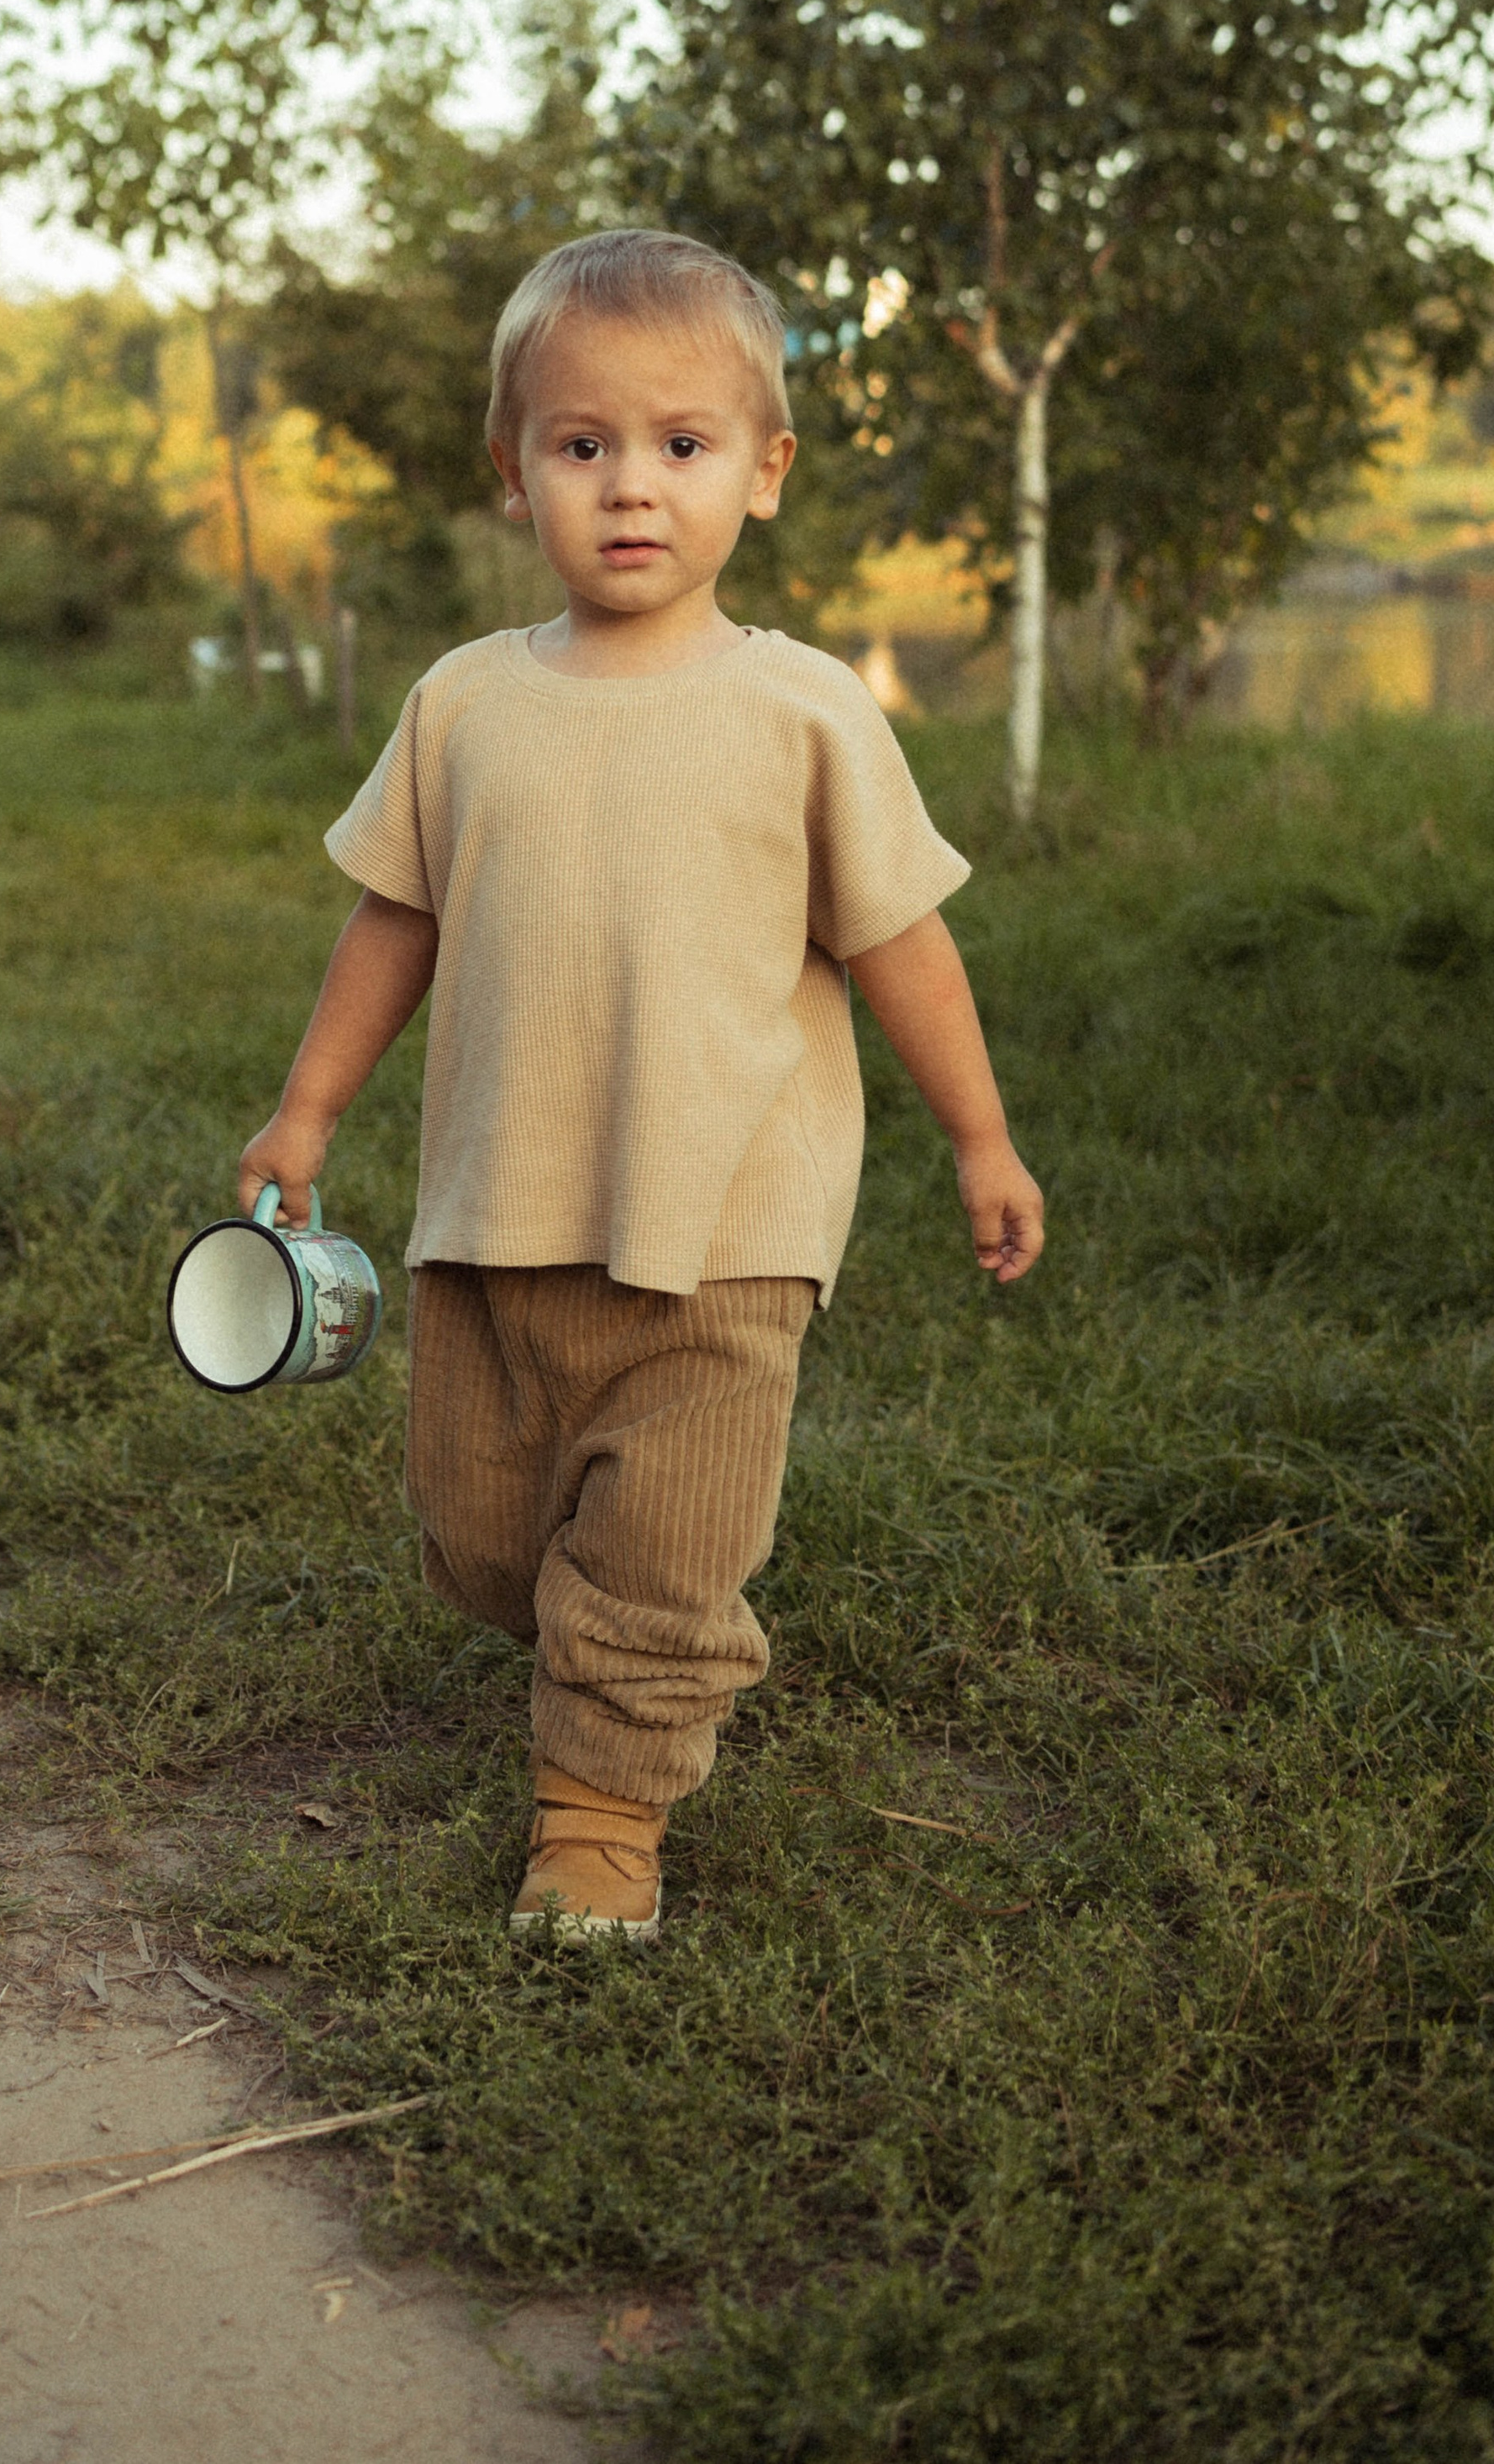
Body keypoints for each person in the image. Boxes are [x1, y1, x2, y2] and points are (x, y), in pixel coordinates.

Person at [239, 230, 1043, 1942]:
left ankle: (599, 1815)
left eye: (679, 446)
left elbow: (901, 941)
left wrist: (975, 1135)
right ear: (512, 471)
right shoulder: (463, 704)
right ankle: (587, 1652)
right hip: (494, 1212)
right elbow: (395, 920)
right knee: (479, 1538)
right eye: (579, 443)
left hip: (724, 1222)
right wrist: (306, 1111)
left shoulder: (804, 712)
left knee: (662, 1550)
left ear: (763, 474)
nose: (628, 487)